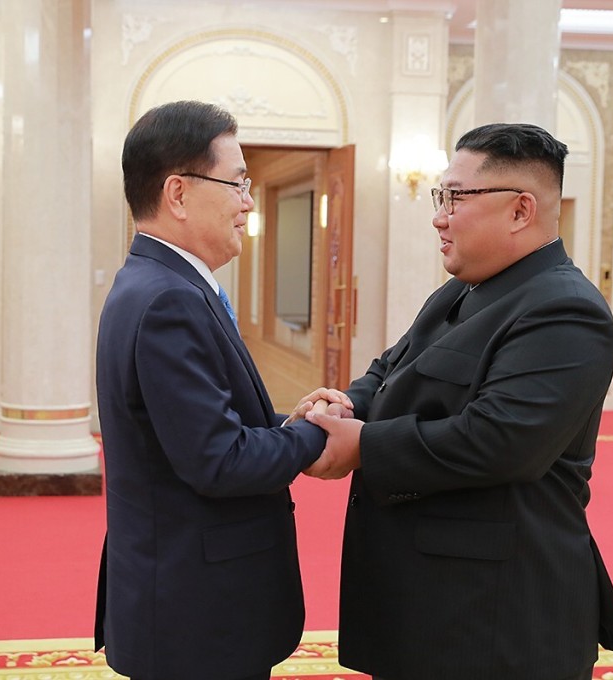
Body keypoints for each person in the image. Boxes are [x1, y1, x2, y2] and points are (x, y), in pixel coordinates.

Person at [304, 123, 613, 679]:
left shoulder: (565, 309)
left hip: (496, 617)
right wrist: (345, 404)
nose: (439, 215)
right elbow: (390, 369)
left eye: (455, 198)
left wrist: (362, 444)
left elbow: (502, 441)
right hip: (433, 600)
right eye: (442, 196)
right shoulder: (464, 288)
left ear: (520, 210)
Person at [94, 100, 351, 680]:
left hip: (186, 597)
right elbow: (219, 461)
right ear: (178, 193)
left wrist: (288, 423)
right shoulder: (169, 299)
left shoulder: (161, 283)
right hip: (196, 612)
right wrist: (317, 436)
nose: (248, 202)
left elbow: (199, 425)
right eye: (236, 183)